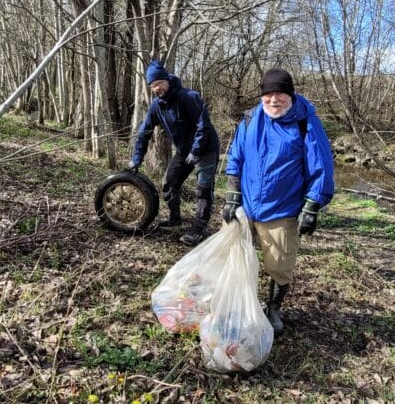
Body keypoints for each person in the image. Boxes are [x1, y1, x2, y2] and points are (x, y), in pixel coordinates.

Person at [222, 68, 335, 336]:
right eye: (268, 94)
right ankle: (239, 304)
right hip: (247, 208)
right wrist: (231, 197)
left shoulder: (305, 123)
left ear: (290, 95)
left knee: (279, 266)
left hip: (282, 210)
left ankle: (273, 309)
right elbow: (235, 159)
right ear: (262, 96)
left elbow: (321, 167)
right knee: (236, 258)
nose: (274, 100)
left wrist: (311, 207)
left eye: (280, 94)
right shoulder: (250, 120)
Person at [129, 59, 221, 245]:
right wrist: (136, 159)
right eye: (153, 86)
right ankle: (175, 219)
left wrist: (196, 151)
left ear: (167, 81)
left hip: (206, 148)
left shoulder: (188, 97)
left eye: (159, 83)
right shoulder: (157, 106)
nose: (157, 88)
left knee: (203, 188)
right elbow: (144, 132)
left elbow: (203, 126)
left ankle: (198, 228)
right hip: (183, 150)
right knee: (169, 181)